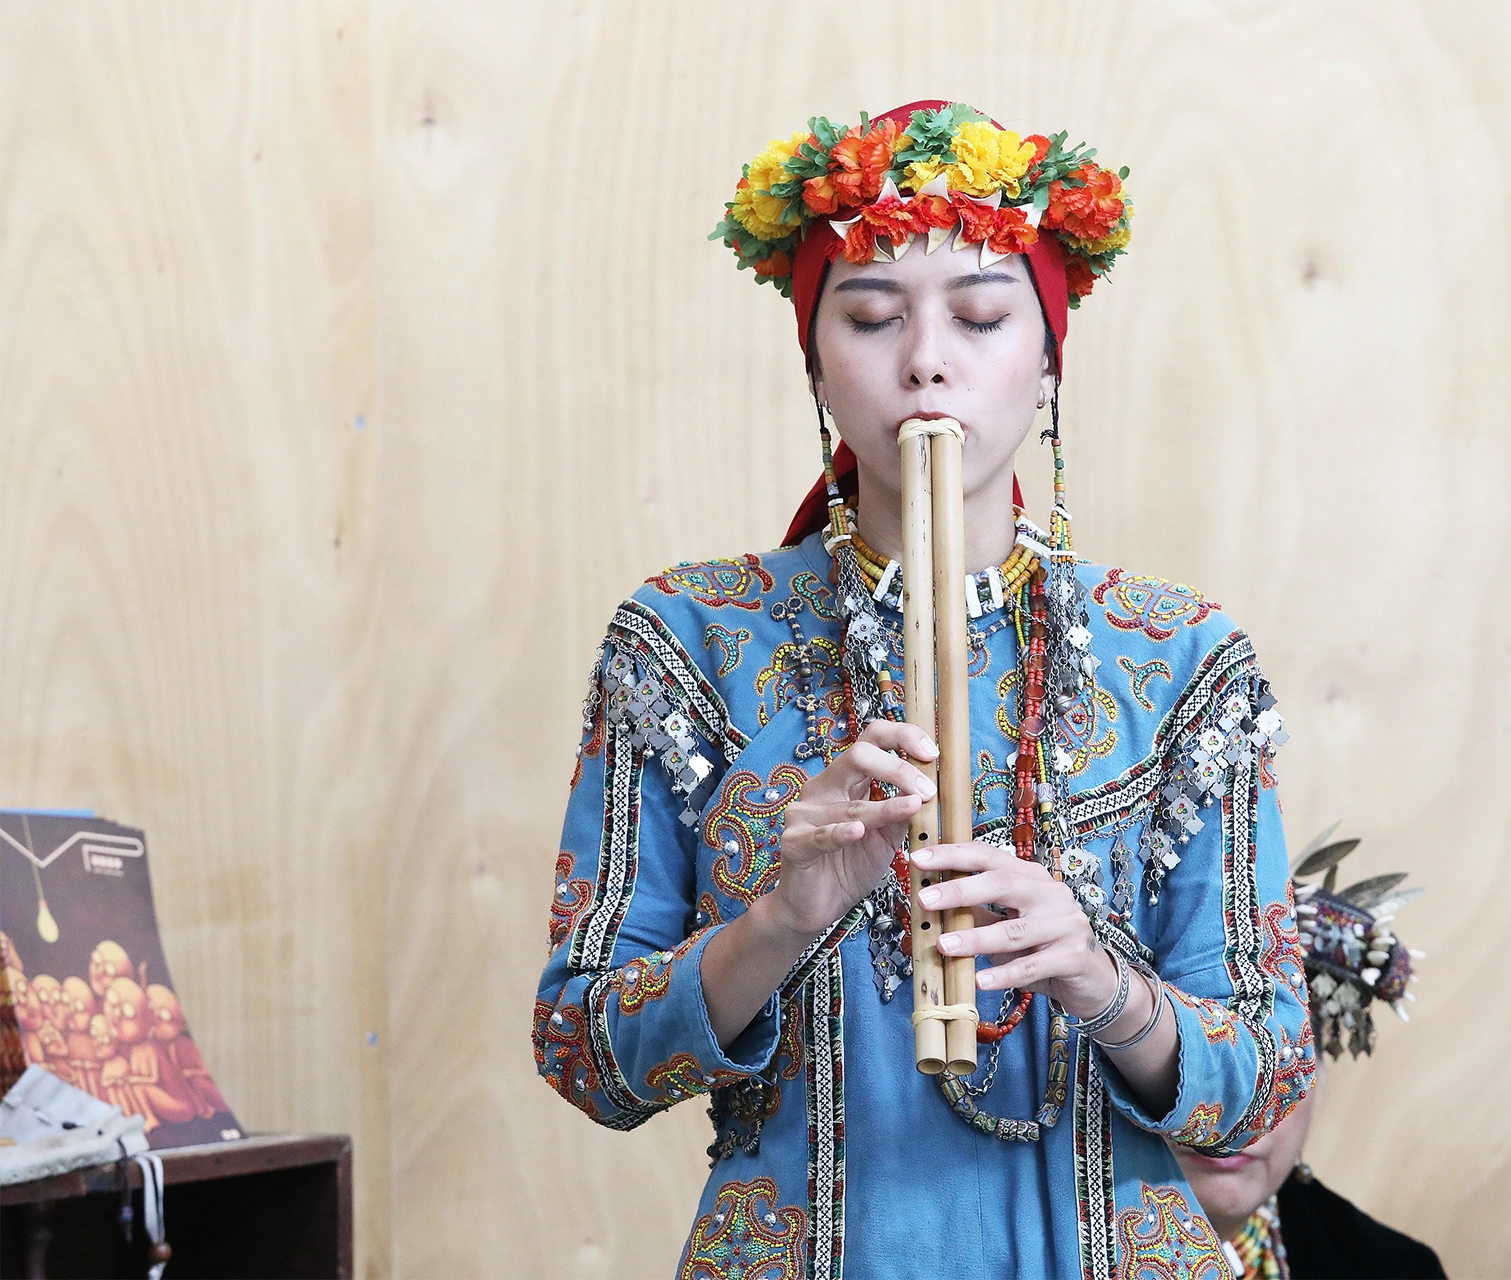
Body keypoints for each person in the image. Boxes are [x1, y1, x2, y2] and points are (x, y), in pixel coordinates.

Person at [531, 100, 1314, 1276]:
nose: (927, 357)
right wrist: (777, 921)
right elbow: (584, 1048)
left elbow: (1265, 1075)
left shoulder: (1186, 654)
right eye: (870, 314)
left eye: (985, 314)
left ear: (1049, 360)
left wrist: (1095, 975)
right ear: (816, 362)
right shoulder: (686, 639)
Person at [1171, 828, 1447, 1279]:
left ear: (1315, 1073)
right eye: (1197, 1055)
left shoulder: (1393, 1269)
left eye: (1277, 1057)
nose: (1238, 1108)